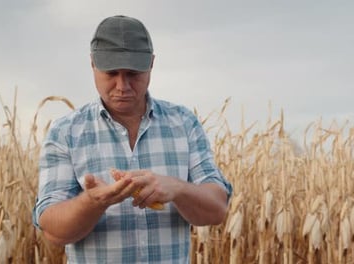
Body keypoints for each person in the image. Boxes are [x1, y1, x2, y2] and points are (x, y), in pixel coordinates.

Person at [32, 15, 232, 263]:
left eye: (133, 73)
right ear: (93, 64)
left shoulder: (184, 123)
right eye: (111, 73)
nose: (122, 85)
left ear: (151, 64)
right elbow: (53, 230)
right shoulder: (65, 132)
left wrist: (178, 188)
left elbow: (217, 209)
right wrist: (94, 202)